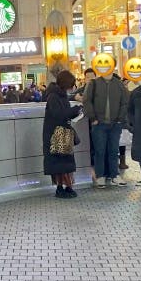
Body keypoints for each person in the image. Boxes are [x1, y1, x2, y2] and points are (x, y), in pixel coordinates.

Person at [82, 66, 130, 188]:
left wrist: (120, 119)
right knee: (100, 151)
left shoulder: (119, 84)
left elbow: (125, 102)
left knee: (114, 150)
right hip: (99, 124)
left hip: (115, 124)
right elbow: (87, 101)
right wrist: (92, 118)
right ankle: (100, 176)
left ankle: (114, 175)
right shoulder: (94, 83)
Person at [43, 70, 82, 198]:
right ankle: (61, 188)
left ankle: (67, 187)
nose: (72, 87)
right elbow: (59, 114)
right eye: (71, 84)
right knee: (59, 162)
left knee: (64, 162)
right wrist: (75, 110)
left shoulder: (60, 95)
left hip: (61, 134)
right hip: (56, 136)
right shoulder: (54, 97)